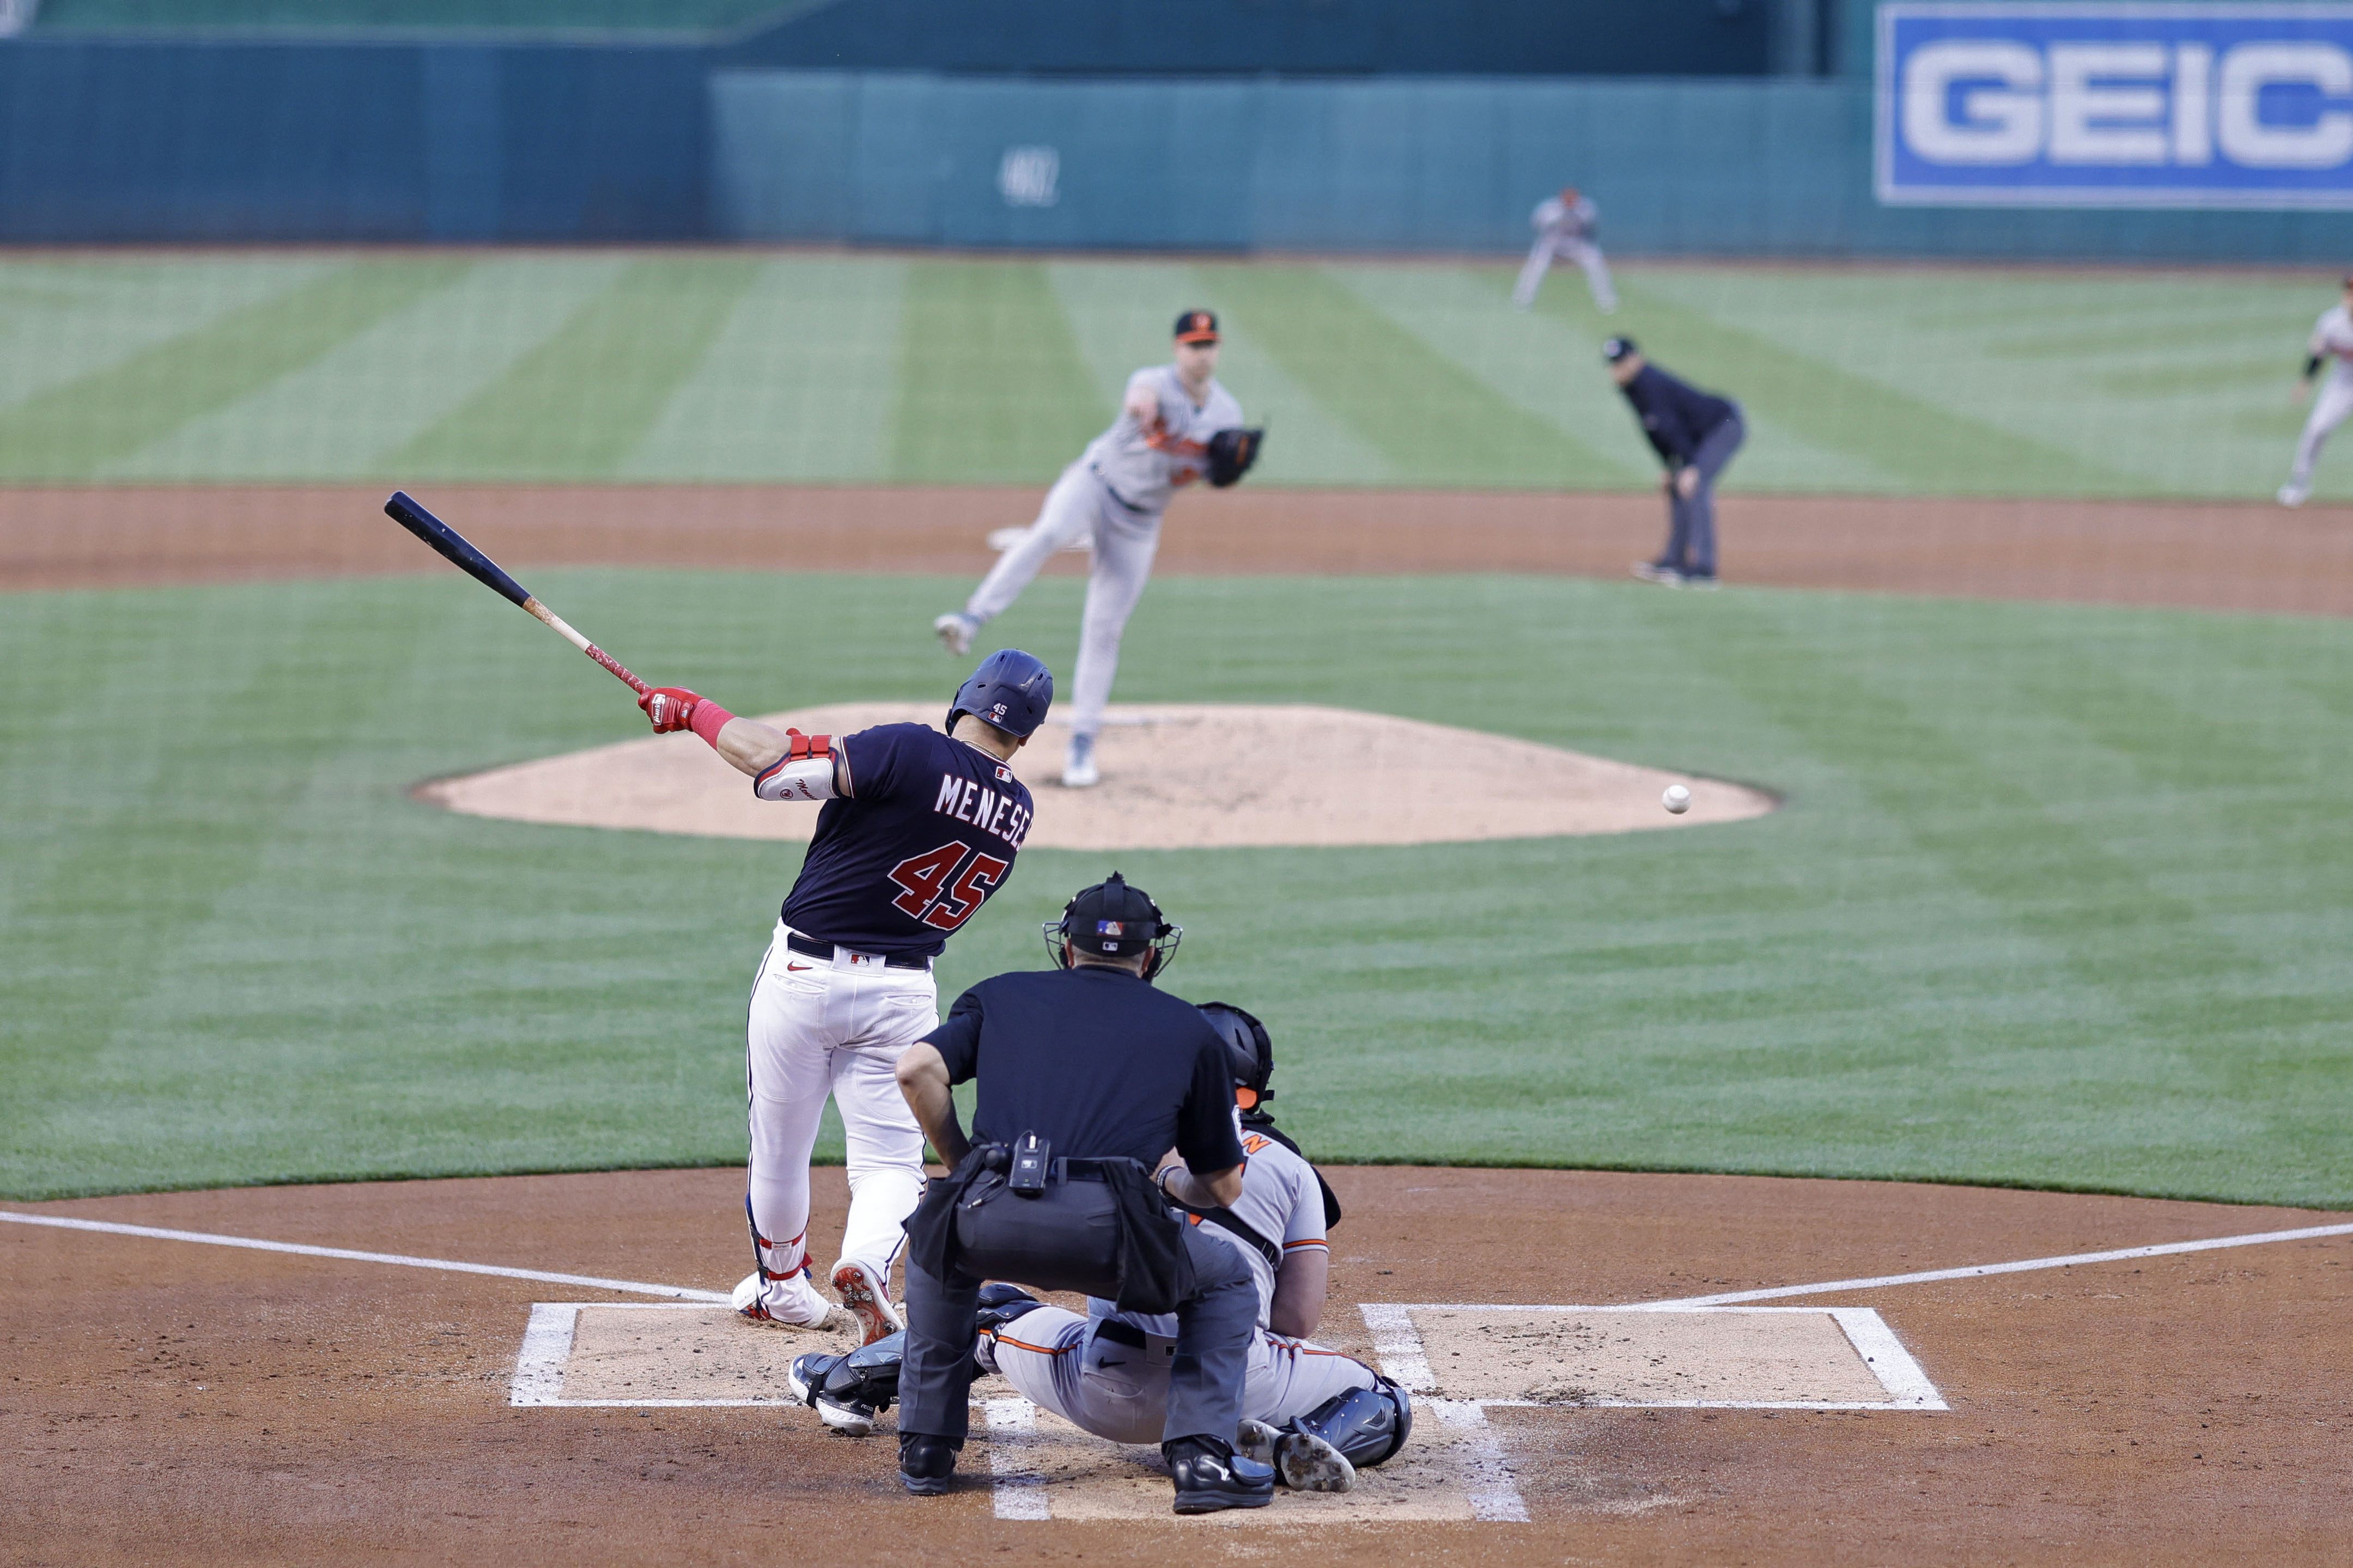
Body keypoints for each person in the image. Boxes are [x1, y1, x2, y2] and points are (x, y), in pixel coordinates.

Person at [783, 1002, 1414, 1494]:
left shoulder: (1117, 1136)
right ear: (1254, 1087)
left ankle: (843, 1382)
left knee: (994, 1310)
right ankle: (1289, 1444)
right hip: (1237, 1387)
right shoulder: (1290, 1168)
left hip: (1103, 1389)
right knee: (1384, 1397)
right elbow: (1295, 1321)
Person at [632, 649, 1053, 1345]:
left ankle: (783, 1290)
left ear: (965, 699)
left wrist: (693, 713)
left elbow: (776, 770)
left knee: (779, 1147)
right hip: (903, 989)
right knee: (890, 1161)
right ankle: (863, 1260)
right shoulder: (1016, 808)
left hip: (802, 976)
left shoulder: (913, 747)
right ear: (1027, 736)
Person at [885, 873, 1278, 1512]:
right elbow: (1223, 1188)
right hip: (1111, 1235)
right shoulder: (1190, 1031)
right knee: (1227, 1279)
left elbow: (915, 1068)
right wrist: (1166, 1180)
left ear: (1067, 947)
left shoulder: (998, 995)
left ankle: (926, 1447)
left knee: (938, 1243)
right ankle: (1200, 1457)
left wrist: (962, 1165)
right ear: (1150, 956)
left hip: (991, 1214)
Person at [932, 310, 1261, 790]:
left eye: (1208, 343)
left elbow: (1209, 474)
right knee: (1046, 533)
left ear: (1218, 348)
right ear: (1177, 349)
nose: (1201, 352)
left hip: (1140, 522)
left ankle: (1082, 744)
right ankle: (970, 619)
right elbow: (1139, 400)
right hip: (1094, 483)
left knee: (1105, 627)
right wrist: (1143, 411)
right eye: (1192, 344)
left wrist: (1225, 472)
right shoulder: (1152, 382)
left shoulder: (1226, 414)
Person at [1603, 335, 1743, 589]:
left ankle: (1704, 569)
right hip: (1698, 436)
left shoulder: (1649, 383)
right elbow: (1655, 431)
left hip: (1724, 424)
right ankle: (1674, 560)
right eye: (1614, 364)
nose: (1618, 369)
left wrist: (1688, 466)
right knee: (1677, 486)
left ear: (1637, 359)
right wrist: (1670, 468)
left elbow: (1671, 427)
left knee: (1696, 484)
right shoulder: (1631, 387)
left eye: (1622, 362)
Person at [2278, 273, 2353, 507]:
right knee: (2316, 429)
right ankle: (2299, 482)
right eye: (2349, 291)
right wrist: (2305, 383)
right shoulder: (2331, 322)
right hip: (2343, 384)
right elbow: (2318, 355)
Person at [1513, 186, 1617, 314]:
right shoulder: (1549, 209)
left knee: (1595, 262)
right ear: (1561, 198)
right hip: (1552, 244)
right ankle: (1523, 300)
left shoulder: (1586, 208)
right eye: (1567, 199)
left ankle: (1607, 301)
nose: (1570, 202)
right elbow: (1537, 226)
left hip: (1577, 243)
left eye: (1573, 199)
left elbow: (1592, 226)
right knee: (1536, 266)